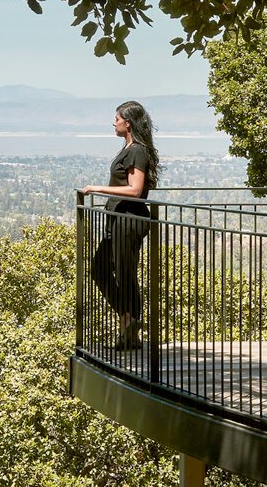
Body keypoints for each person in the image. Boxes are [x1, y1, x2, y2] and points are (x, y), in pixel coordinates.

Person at [80, 100, 159, 350]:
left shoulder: (137, 150)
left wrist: (97, 188)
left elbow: (135, 190)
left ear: (129, 122)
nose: (113, 122)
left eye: (117, 118)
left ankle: (130, 327)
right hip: (120, 219)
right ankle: (128, 320)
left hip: (130, 219)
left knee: (125, 275)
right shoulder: (129, 148)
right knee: (100, 269)